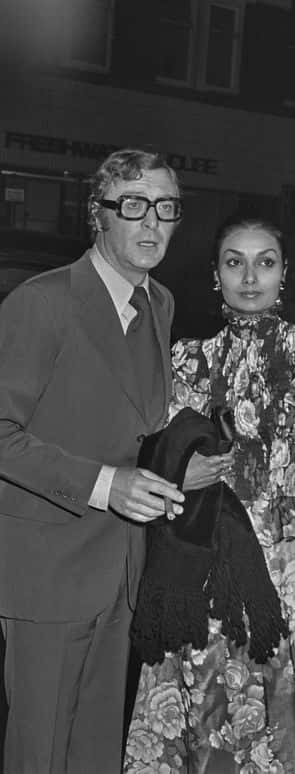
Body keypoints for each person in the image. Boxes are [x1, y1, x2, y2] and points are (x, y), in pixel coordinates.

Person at [125, 214, 295, 773]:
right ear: (215, 275)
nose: (250, 277)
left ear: (284, 273)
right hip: (211, 575)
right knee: (215, 715)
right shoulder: (186, 363)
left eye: (264, 262)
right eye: (234, 262)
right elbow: (146, 461)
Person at [0, 147, 231, 774]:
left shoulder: (161, 305)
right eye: (133, 205)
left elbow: (133, 428)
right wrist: (106, 485)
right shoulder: (42, 303)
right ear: (97, 216)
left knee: (97, 754)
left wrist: (179, 464)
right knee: (38, 755)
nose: (152, 222)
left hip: (124, 569)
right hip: (48, 572)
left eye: (165, 207)